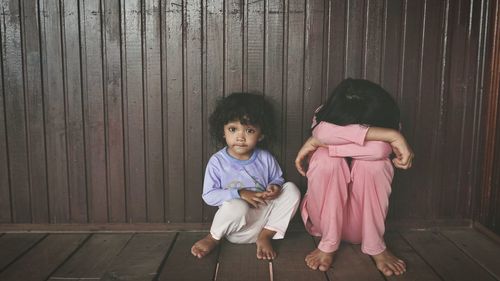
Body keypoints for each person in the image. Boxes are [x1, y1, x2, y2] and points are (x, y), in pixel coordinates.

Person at [294, 78, 414, 276]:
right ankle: (328, 244)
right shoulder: (325, 112)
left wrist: (318, 144)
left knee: (375, 165)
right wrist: (390, 136)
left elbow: (379, 150)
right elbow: (323, 132)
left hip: (364, 223)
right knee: (327, 160)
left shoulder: (385, 115)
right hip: (323, 219)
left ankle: (375, 245)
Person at [191, 92, 301, 260]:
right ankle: (213, 237)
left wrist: (275, 187)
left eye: (249, 130)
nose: (240, 137)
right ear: (223, 131)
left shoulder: (265, 157)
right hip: (237, 227)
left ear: (261, 134)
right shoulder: (218, 162)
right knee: (237, 206)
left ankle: (265, 237)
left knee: (291, 189)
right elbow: (209, 195)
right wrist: (240, 193)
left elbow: (278, 178)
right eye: (233, 129)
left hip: (265, 221)